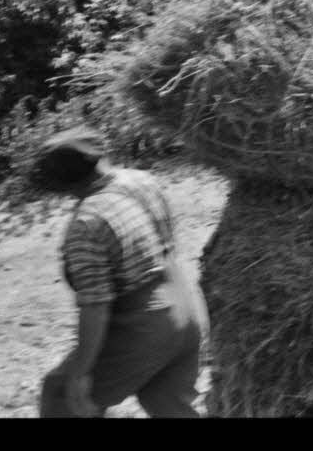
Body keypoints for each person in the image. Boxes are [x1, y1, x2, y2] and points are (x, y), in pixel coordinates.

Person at [37, 126, 209, 418]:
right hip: (188, 308)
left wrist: (80, 373)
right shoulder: (142, 181)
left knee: (61, 397)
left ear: (63, 184)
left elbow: (96, 307)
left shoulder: (87, 223)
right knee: (167, 404)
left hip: (146, 325)